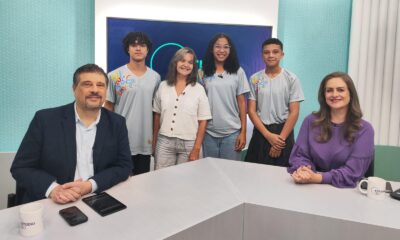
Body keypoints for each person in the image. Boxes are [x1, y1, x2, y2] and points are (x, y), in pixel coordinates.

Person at [10, 64, 132, 204]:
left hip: (97, 197)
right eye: (87, 84)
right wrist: (53, 189)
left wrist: (90, 185)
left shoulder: (117, 123)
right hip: (52, 201)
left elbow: (124, 166)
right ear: (74, 89)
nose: (94, 90)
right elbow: (21, 167)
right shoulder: (45, 120)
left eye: (100, 85)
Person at [287, 72, 374, 188]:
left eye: (340, 90)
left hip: (346, 192)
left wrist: (317, 177)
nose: (334, 94)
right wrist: (303, 170)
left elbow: (352, 173)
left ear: (351, 94)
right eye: (329, 90)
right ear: (324, 95)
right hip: (310, 188)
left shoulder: (365, 130)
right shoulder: (310, 121)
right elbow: (299, 156)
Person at [105, 32, 161, 175]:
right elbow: (108, 108)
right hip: (122, 140)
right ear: (127, 49)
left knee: (142, 185)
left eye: (142, 45)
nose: (138, 49)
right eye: (134, 45)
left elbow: (156, 112)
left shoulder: (155, 77)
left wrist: (154, 140)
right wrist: (108, 137)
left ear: (147, 50)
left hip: (145, 142)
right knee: (121, 184)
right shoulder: (114, 76)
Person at [245, 38, 304, 167]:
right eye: (266, 52)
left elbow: (294, 112)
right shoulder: (255, 79)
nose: (271, 55)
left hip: (284, 133)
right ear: (262, 55)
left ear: (282, 54)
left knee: (282, 176)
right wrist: (267, 135)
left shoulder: (291, 78)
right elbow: (251, 110)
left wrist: (279, 142)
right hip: (261, 132)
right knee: (254, 174)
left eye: (275, 52)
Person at [153, 47, 211, 169]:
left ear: (193, 66)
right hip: (164, 142)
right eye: (182, 61)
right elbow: (157, 115)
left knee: (186, 183)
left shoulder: (199, 89)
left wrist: (196, 148)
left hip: (189, 144)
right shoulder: (163, 86)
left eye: (190, 62)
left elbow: (203, 121)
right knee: (161, 180)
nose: (186, 65)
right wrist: (154, 142)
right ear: (175, 63)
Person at [200, 33, 250, 160]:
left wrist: (243, 132)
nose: (221, 50)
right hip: (208, 133)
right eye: (218, 46)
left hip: (232, 133)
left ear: (230, 50)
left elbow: (242, 103)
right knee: (210, 173)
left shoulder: (238, 71)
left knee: (230, 174)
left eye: (226, 47)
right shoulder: (202, 72)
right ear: (212, 49)